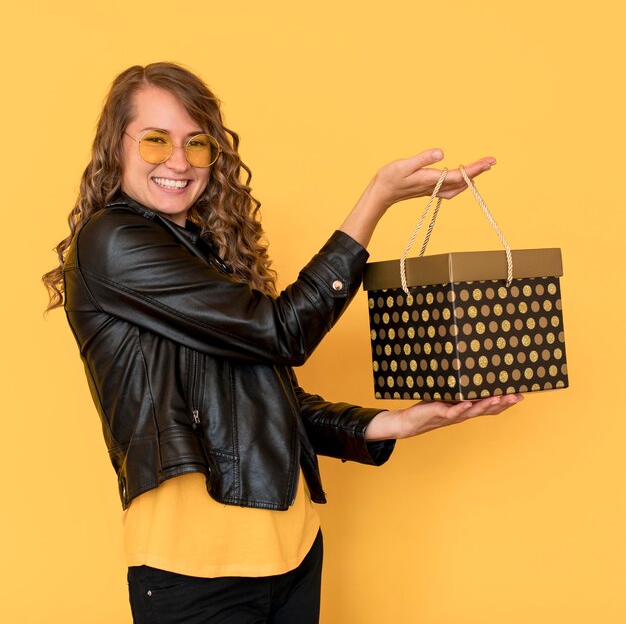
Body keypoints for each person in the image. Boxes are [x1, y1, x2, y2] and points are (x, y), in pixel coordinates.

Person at [43, 62, 522, 624]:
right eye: (155, 140)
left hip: (291, 555)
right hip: (195, 573)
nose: (178, 161)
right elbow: (283, 332)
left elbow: (267, 399)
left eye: (197, 144)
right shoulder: (113, 241)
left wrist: (395, 423)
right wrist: (377, 199)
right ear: (115, 146)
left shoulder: (201, 250)